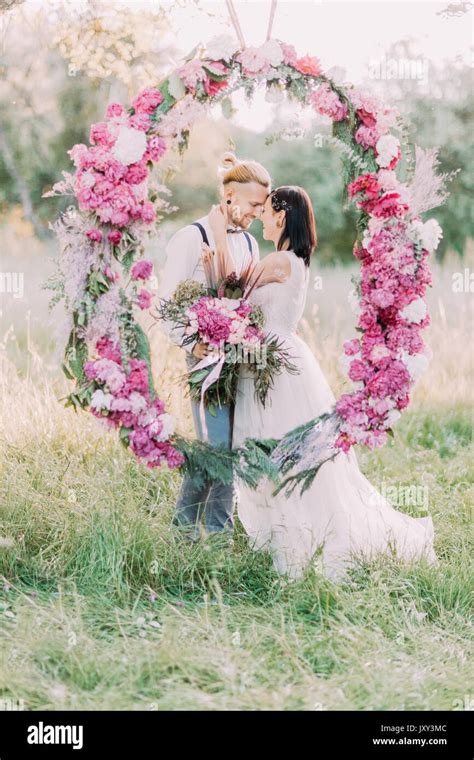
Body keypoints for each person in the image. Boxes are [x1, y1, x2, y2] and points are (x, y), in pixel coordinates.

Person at [208, 185, 437, 581]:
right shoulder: (291, 260)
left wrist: (217, 229)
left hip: (273, 367)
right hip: (270, 359)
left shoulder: (279, 260)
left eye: (264, 210)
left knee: (277, 448)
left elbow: (232, 286)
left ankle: (301, 537)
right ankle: (285, 534)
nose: (260, 216)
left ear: (281, 215)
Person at [157, 152, 271, 540]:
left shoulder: (252, 245)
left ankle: (217, 533)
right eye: (254, 203)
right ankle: (184, 531)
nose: (259, 211)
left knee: (233, 447)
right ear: (229, 196)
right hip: (205, 362)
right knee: (214, 447)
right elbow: (165, 301)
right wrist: (192, 341)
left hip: (240, 360)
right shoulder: (191, 237)